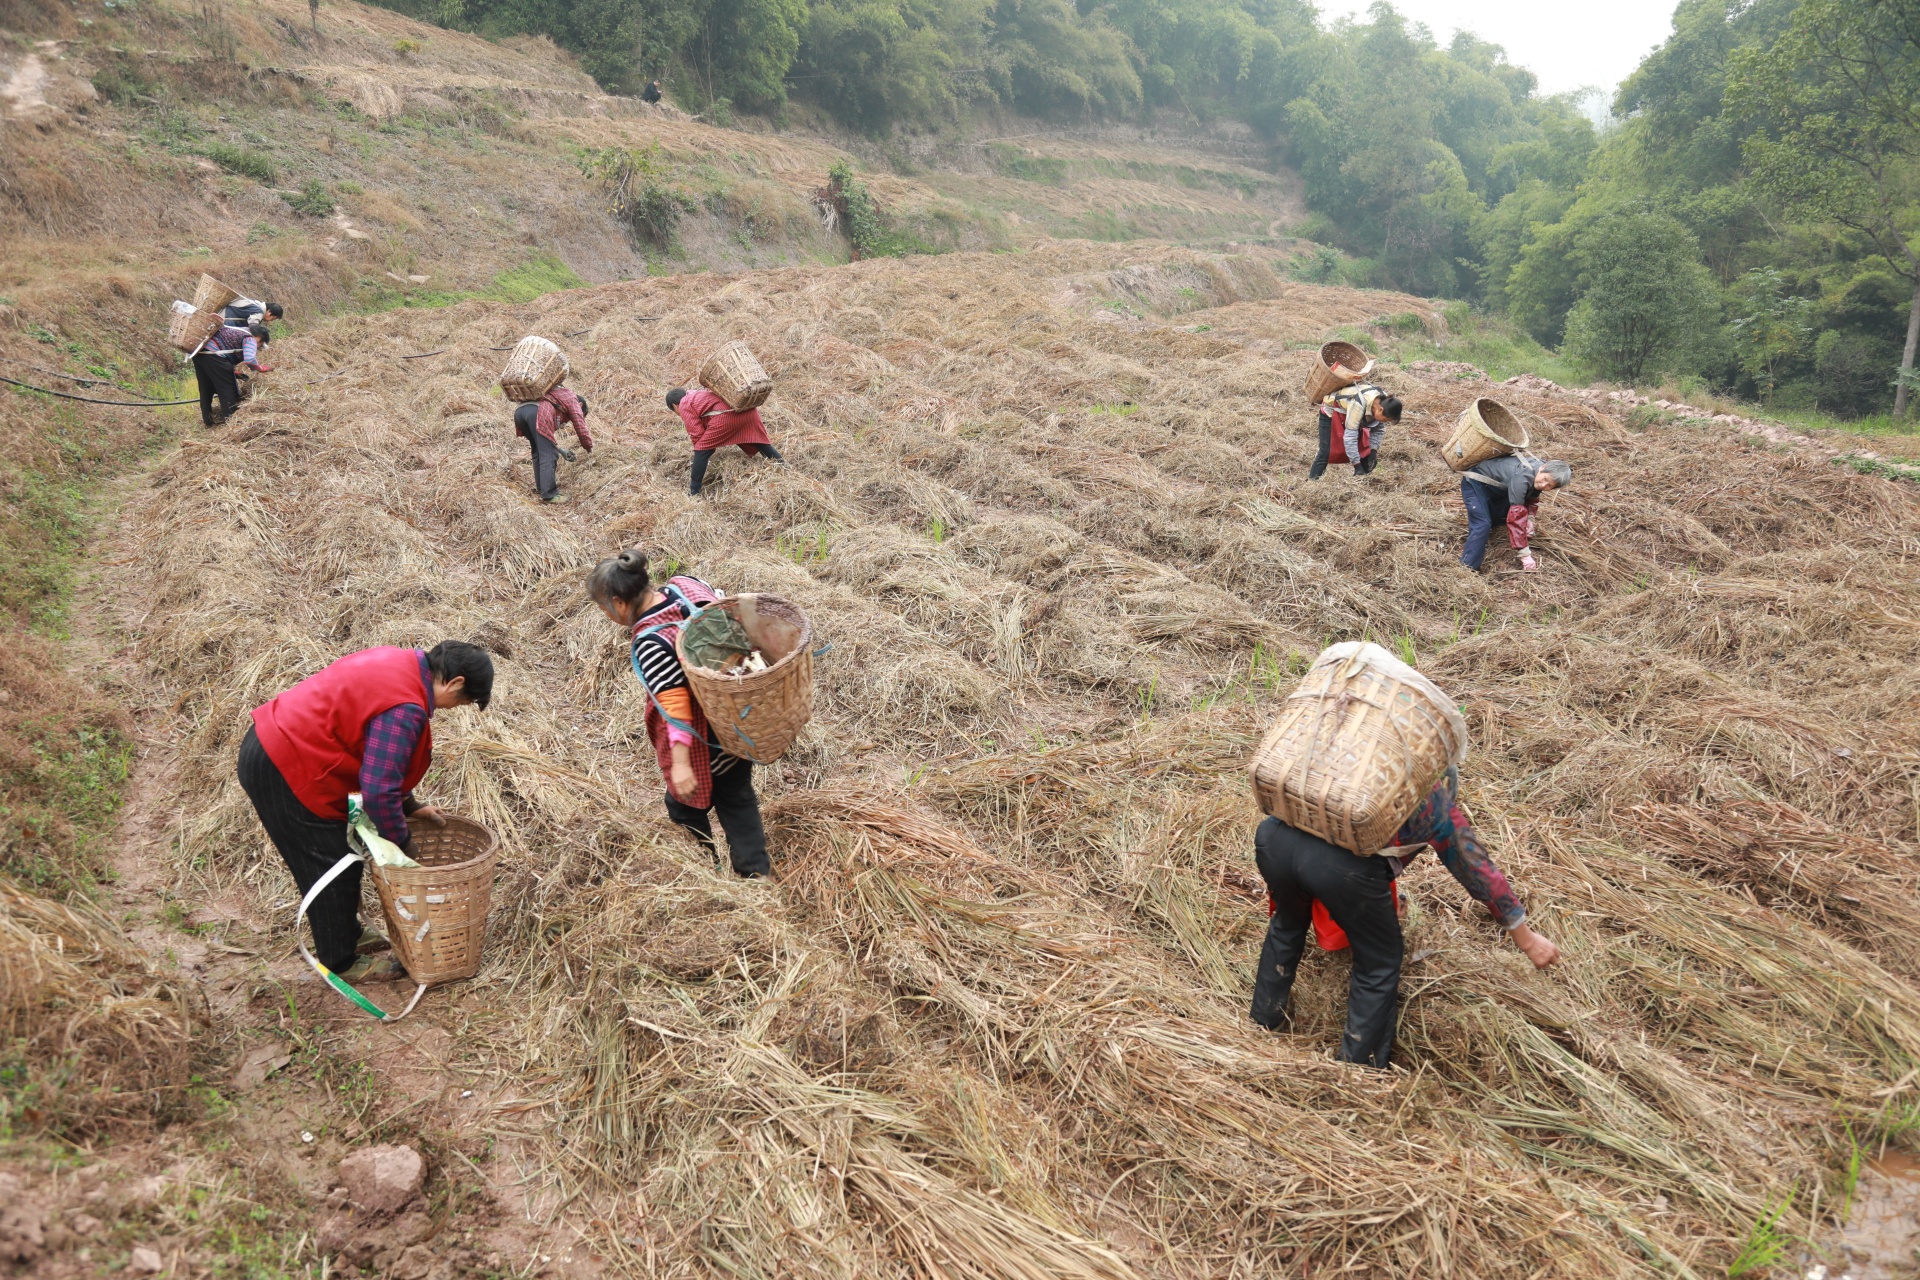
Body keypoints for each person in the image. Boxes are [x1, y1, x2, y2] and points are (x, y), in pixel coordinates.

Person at [1250, 768, 1560, 1066]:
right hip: (1337, 869)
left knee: (1287, 925)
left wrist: (1377, 897)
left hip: (1274, 840)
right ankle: (1360, 1067)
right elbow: (1478, 871)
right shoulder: (1432, 799)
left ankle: (1263, 1024)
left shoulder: (1356, 773)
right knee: (1379, 960)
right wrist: (1527, 940)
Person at [238, 641, 494, 984]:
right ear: (455, 683)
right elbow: (377, 791)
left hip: (280, 744)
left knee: (340, 856)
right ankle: (340, 962)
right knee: (329, 863)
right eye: (463, 702)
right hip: (284, 764)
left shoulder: (401, 664)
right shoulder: (406, 706)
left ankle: (350, 934)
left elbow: (377, 754)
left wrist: (411, 807)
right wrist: (403, 846)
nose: (454, 708)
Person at [586, 548, 771, 878]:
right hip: (736, 723)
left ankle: (703, 871)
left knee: (683, 810)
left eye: (604, 608)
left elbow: (676, 707)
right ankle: (755, 874)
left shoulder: (650, 641)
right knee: (738, 801)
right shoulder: (687, 584)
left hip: (703, 743)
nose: (607, 615)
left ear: (619, 602)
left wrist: (683, 765)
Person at [1459, 454, 1572, 573]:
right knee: (1482, 524)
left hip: (1497, 486)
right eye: (1545, 479)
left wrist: (1529, 519)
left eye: (1549, 486)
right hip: (1475, 481)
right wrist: (1525, 555)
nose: (1544, 485)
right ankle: (1468, 567)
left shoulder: (1538, 473)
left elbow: (1531, 498)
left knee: (1502, 518)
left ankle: (1490, 526)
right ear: (1543, 467)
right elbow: (1516, 518)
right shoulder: (1523, 476)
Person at [667, 388, 782, 497]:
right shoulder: (696, 394)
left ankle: (694, 491)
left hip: (727, 416)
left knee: (701, 449)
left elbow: (697, 433)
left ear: (674, 406)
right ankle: (783, 466)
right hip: (748, 410)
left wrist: (701, 450)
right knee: (757, 440)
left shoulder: (684, 404)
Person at [513, 383, 593, 504]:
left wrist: (560, 449)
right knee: (550, 454)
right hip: (538, 411)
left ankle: (542, 487)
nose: (568, 421)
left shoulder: (556, 396)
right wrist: (589, 448)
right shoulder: (572, 399)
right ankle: (549, 494)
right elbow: (580, 426)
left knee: (538, 451)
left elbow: (544, 440)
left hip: (520, 412)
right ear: (580, 405)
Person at [1309, 383, 1401, 479]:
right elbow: (1350, 437)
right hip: (1332, 411)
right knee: (1326, 451)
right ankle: (1313, 481)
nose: (1383, 422)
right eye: (1384, 420)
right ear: (1380, 410)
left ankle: (1363, 481)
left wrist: (1373, 451)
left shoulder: (1386, 402)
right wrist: (1356, 465)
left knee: (1366, 454)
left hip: (1352, 415)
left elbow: (1378, 430)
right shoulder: (1358, 404)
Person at [194, 322, 271, 427]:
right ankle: (230, 421)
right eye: (260, 345)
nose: (257, 347)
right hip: (214, 355)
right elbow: (250, 359)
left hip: (199, 352)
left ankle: (208, 420)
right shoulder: (250, 338)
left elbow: (227, 346)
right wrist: (260, 368)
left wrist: (231, 370)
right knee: (227, 389)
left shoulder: (238, 330)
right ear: (259, 337)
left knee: (206, 388)